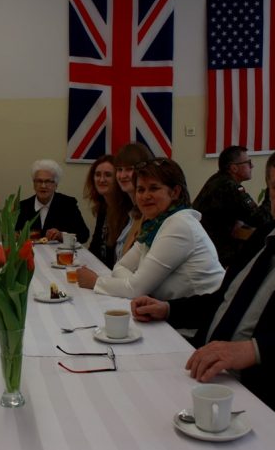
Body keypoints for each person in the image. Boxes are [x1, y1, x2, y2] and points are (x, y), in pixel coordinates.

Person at [131, 142, 275, 449]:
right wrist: (169, 309)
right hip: (201, 371)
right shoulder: (265, 236)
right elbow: (225, 301)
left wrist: (255, 349)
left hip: (264, 401)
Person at [77, 159, 224, 337]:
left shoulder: (179, 225)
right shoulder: (155, 224)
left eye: (153, 188)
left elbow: (136, 289)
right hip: (172, 319)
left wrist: (96, 282)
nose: (145, 196)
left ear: (175, 192)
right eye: (140, 189)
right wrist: (136, 285)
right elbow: (120, 267)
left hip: (200, 327)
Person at [193, 146, 272, 267]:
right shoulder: (230, 187)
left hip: (202, 248)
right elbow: (260, 219)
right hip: (216, 253)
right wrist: (271, 193)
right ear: (234, 168)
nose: (252, 166)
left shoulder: (217, 180)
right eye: (248, 162)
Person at [15, 159, 90, 243]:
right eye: (39, 181)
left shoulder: (68, 204)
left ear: (56, 185)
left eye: (48, 181)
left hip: (58, 251)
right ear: (34, 184)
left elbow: (84, 235)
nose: (43, 186)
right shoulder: (22, 207)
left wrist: (62, 236)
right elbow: (12, 235)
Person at [110, 143, 155, 260]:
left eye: (129, 169)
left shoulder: (149, 214)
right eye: (119, 169)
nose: (122, 175)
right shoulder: (128, 211)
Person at [84, 155, 128, 268]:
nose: (101, 180)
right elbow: (95, 247)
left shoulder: (127, 211)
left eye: (108, 175)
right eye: (98, 174)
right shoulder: (103, 208)